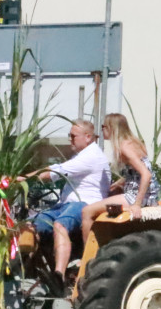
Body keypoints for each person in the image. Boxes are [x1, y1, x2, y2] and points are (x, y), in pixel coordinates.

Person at [16, 119, 110, 281]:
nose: (70, 139)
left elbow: (51, 174)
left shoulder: (91, 156)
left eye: (73, 136)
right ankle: (26, 269)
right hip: (65, 204)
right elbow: (53, 169)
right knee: (31, 225)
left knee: (59, 225)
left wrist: (21, 180)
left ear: (88, 137)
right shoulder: (81, 155)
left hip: (84, 203)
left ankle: (58, 275)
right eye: (69, 135)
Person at [81, 113, 160, 242]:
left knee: (87, 212)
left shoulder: (124, 148)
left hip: (136, 196)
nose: (101, 130)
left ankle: (87, 256)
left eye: (103, 126)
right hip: (150, 195)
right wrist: (120, 182)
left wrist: (137, 205)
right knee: (111, 194)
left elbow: (146, 174)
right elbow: (138, 173)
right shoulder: (135, 143)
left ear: (111, 128)